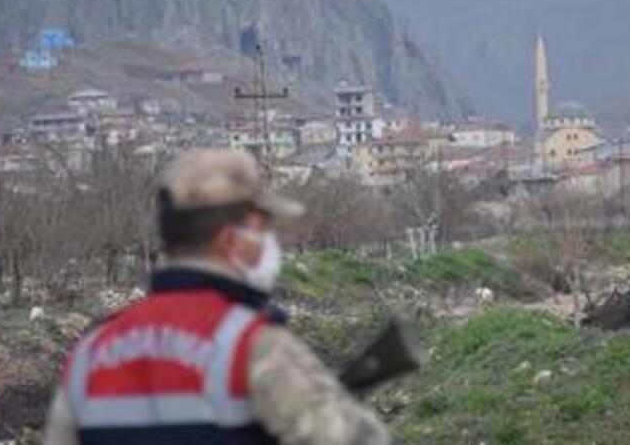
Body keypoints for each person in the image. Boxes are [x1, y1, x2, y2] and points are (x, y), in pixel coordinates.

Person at [43, 149, 390, 445]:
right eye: (262, 229)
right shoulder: (251, 344)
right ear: (231, 239)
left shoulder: (91, 352)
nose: (271, 242)